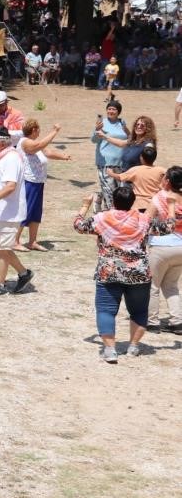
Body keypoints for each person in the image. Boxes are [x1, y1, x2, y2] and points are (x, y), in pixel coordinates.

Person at [74, 188, 176, 363]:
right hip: (139, 273)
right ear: (133, 202)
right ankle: (134, 346)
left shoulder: (102, 218)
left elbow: (79, 226)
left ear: (113, 201)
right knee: (139, 311)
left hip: (109, 272)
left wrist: (85, 206)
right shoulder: (143, 220)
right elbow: (168, 227)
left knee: (106, 310)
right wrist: (172, 205)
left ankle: (109, 350)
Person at [0, 126, 34, 298]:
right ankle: (24, 274)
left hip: (9, 211)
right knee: (0, 247)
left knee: (2, 248)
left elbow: (10, 186)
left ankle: (0, 284)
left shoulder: (11, 159)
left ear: (2, 143)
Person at [14, 119, 71, 251]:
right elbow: (39, 146)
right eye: (38, 129)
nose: (39, 131)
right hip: (28, 181)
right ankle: (15, 241)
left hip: (38, 182)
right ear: (34, 130)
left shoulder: (35, 144)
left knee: (36, 213)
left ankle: (32, 242)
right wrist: (55, 131)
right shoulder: (25, 142)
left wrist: (63, 156)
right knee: (25, 211)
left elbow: (48, 152)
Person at [148, 167, 182, 330]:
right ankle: (177, 321)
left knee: (153, 285)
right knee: (171, 286)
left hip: (162, 246)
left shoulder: (160, 197)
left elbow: (146, 219)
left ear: (167, 181)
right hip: (180, 248)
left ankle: (152, 321)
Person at [91, 99, 129, 212]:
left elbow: (129, 139)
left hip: (121, 163)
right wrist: (96, 130)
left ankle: (99, 199)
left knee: (119, 192)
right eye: (109, 109)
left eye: (114, 109)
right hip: (105, 163)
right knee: (110, 192)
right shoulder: (102, 123)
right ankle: (110, 216)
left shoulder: (122, 123)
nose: (111, 111)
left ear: (118, 112)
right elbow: (93, 140)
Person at [106, 146, 165, 213]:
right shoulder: (161, 170)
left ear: (141, 158)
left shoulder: (136, 170)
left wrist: (110, 173)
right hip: (154, 205)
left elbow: (120, 177)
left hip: (139, 205)